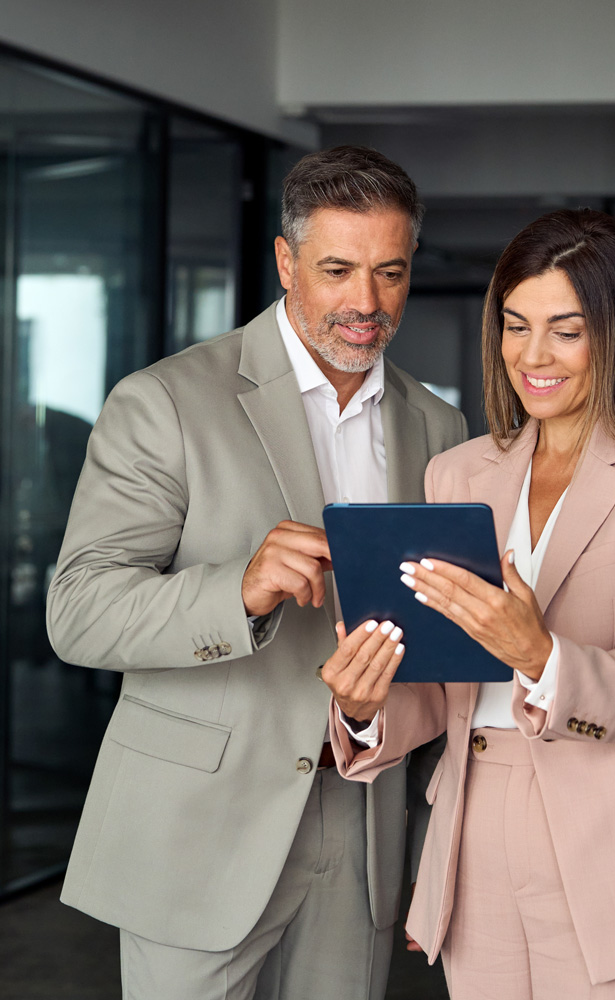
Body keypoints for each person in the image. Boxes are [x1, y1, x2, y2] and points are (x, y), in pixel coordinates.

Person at [46, 145, 468, 1000]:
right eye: (338, 269)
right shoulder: (164, 401)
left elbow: (440, 637)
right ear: (285, 260)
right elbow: (78, 611)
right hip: (196, 827)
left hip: (362, 822)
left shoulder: (440, 425)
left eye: (390, 272)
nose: (366, 303)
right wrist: (236, 588)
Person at [322, 208, 615, 999]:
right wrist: (366, 705)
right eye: (515, 325)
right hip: (475, 833)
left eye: (565, 330)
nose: (533, 356)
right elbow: (443, 688)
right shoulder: (458, 474)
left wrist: (537, 652)